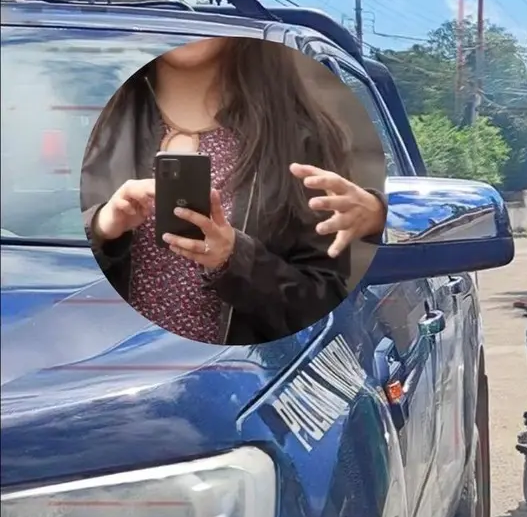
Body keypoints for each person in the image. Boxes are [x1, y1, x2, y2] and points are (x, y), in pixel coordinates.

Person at [80, 37, 387, 346]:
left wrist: (234, 259)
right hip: (108, 370)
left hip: (240, 381)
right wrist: (101, 227)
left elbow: (323, 302)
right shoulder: (100, 125)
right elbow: (42, 262)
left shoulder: (299, 139)